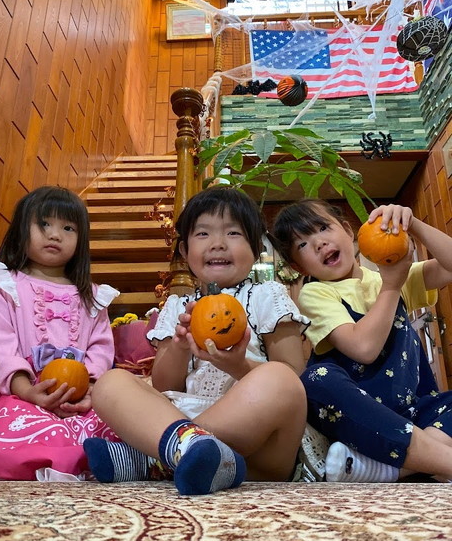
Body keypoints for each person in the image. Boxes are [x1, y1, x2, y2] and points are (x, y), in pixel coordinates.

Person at [84, 187, 309, 495]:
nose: (218, 243)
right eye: (203, 233)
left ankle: (157, 461)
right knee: (110, 383)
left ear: (256, 248)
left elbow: (295, 375)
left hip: (261, 450)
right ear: (184, 250)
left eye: (233, 233)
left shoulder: (266, 294)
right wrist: (178, 346)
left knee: (280, 379)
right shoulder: (177, 306)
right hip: (184, 418)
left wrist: (238, 366)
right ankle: (189, 450)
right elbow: (165, 386)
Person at [273, 198, 452, 483]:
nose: (318, 242)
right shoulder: (316, 293)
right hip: (359, 421)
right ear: (299, 266)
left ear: (348, 231)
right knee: (316, 380)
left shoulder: (389, 276)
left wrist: (414, 225)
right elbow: (364, 349)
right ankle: (438, 461)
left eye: (323, 228)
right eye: (303, 244)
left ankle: (390, 468)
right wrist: (392, 286)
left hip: (411, 411)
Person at [0, 186, 120, 480]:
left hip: (80, 395)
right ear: (20, 230)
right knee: (16, 431)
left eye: (68, 228)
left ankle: (111, 459)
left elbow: (101, 348)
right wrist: (27, 390)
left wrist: (89, 387)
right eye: (44, 224)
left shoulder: (93, 297)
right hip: (17, 390)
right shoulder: (2, 283)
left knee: (118, 424)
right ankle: (58, 461)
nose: (55, 235)